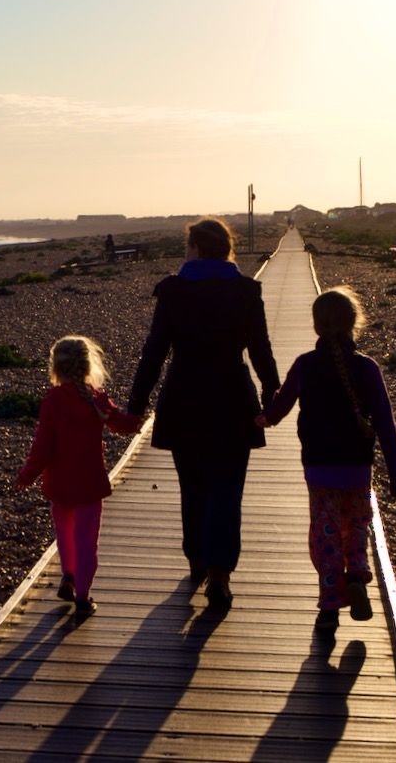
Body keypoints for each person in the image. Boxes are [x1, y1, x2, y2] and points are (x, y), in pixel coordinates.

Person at [128, 217, 279, 612]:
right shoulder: (245, 291)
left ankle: (196, 559)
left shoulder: (174, 291)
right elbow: (260, 349)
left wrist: (136, 404)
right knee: (227, 491)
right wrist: (272, 393)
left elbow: (154, 352)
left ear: (194, 247)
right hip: (232, 398)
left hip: (184, 399)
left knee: (193, 487)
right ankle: (220, 576)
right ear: (226, 248)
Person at [259, 286, 396, 637]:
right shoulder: (367, 368)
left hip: (319, 466)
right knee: (356, 526)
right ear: (354, 324)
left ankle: (329, 607)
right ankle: (356, 572)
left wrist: (260, 419)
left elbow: (278, 409)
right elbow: (385, 424)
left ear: (316, 326)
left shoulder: (305, 365)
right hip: (356, 467)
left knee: (325, 534)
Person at [16, 335, 142, 623]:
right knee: (87, 541)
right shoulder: (95, 398)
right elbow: (120, 423)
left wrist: (27, 476)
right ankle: (83, 597)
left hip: (59, 485)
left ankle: (68, 576)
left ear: (56, 369)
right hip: (89, 485)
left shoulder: (52, 401)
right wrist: (136, 420)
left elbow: (42, 448)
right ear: (87, 366)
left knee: (65, 535)